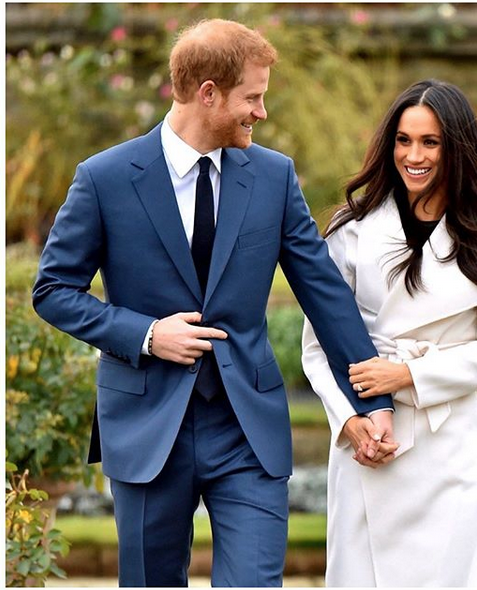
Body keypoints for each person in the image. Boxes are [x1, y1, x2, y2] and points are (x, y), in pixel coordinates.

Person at [32, 19, 397, 588]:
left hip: (246, 429)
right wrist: (149, 334)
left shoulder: (274, 177)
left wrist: (373, 399)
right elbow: (52, 291)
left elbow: (324, 293)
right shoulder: (103, 179)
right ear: (208, 93)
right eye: (253, 97)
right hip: (148, 426)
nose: (261, 112)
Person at [302, 79, 477, 587]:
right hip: (368, 438)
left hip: (447, 439)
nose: (414, 155)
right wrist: (351, 422)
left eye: (431, 142)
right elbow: (319, 346)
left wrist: (406, 374)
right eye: (404, 140)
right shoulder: (351, 228)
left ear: (459, 148)